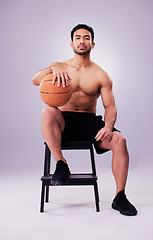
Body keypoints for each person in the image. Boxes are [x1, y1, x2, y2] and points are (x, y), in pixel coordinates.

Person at [32, 24, 137, 216]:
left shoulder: (101, 75)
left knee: (120, 141)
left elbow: (110, 107)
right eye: (78, 37)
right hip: (64, 121)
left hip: (90, 122)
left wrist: (108, 126)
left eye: (86, 38)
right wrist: (52, 67)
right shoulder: (59, 67)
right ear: (71, 43)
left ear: (93, 44)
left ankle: (120, 196)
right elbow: (35, 80)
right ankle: (61, 163)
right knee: (47, 112)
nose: (82, 41)